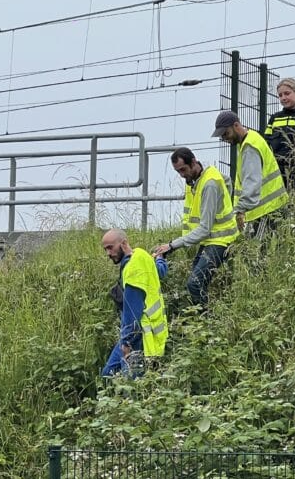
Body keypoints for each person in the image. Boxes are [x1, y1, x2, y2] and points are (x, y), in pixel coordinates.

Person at [152, 148, 239, 307]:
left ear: (193, 162)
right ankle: (203, 317)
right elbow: (227, 181)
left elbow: (205, 228)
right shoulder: (197, 178)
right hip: (210, 240)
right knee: (196, 280)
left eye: (183, 170)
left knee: (195, 284)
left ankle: (207, 321)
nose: (181, 175)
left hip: (220, 240)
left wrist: (172, 246)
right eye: (178, 171)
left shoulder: (209, 185)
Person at [100, 229, 168, 378]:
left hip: (139, 335)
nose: (108, 253)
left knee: (130, 386)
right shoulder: (142, 255)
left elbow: (132, 313)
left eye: (110, 247)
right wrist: (160, 258)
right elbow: (161, 271)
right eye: (105, 249)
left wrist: (126, 344)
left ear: (123, 243)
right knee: (107, 374)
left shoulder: (133, 270)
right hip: (145, 332)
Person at [211, 110, 289, 240]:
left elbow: (251, 182)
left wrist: (240, 209)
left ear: (236, 125)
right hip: (267, 208)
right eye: (222, 136)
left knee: (259, 255)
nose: (225, 138)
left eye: (226, 133)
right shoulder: (251, 139)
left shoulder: (249, 148)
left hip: (266, 210)